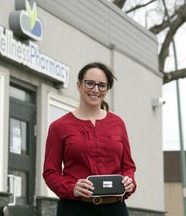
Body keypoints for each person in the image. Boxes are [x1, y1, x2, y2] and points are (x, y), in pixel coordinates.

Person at [43, 62, 136, 216]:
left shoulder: (118, 123)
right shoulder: (59, 126)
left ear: (107, 90)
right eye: (90, 83)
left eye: (102, 85)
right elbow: (50, 172)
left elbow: (128, 166)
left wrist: (129, 180)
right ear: (79, 85)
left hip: (115, 209)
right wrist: (72, 188)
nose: (95, 89)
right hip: (75, 208)